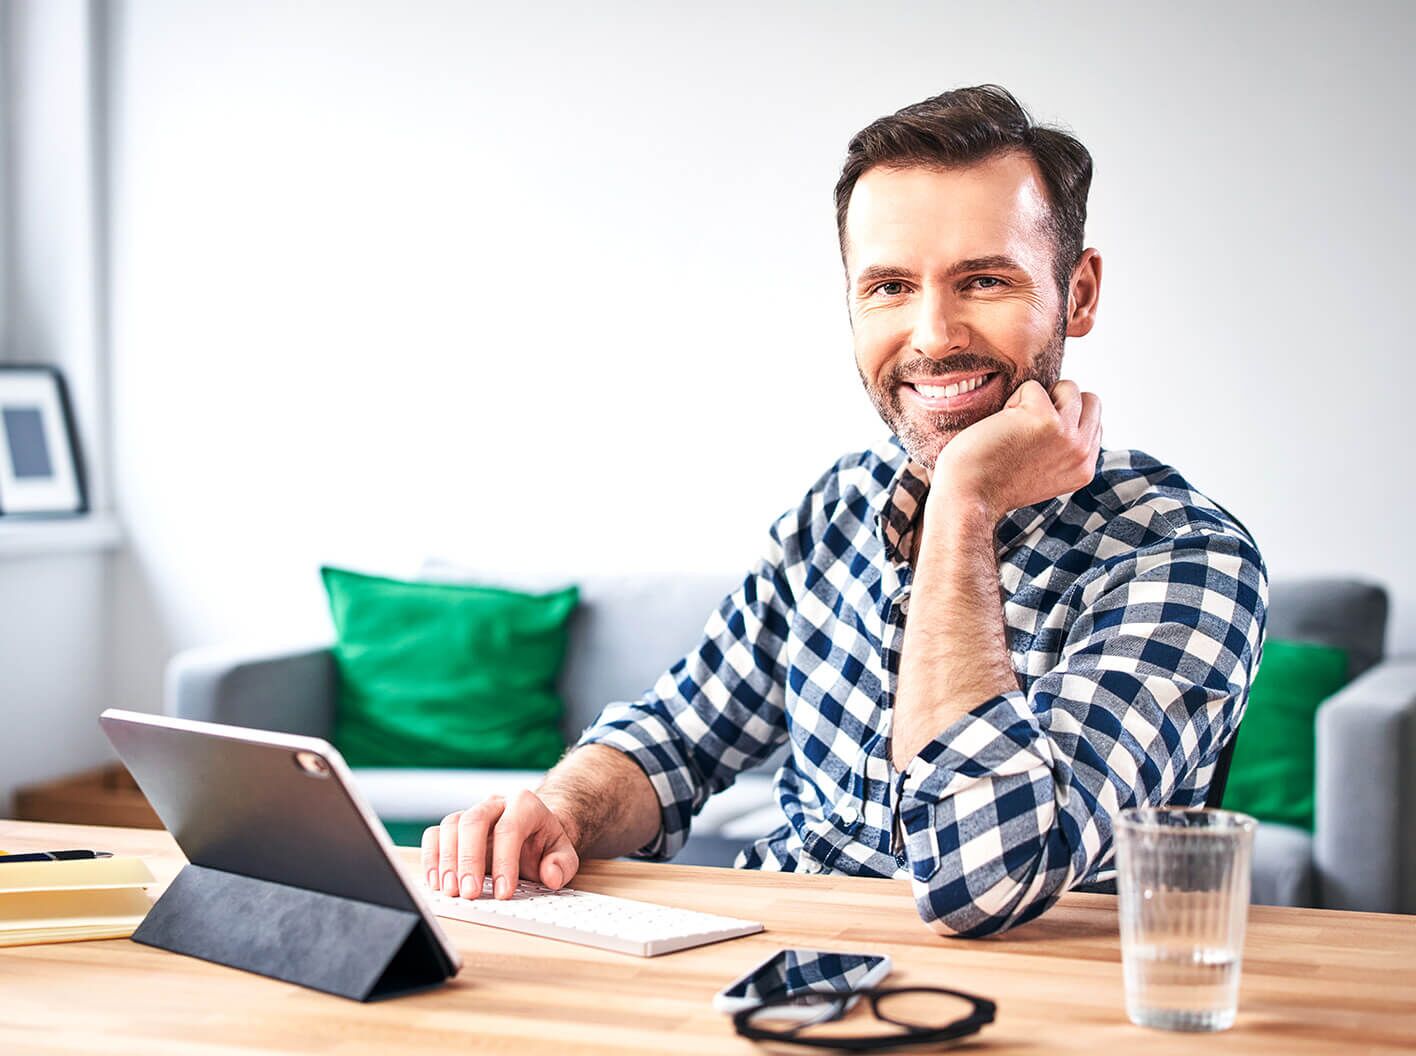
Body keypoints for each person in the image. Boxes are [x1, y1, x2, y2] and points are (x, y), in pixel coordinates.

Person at [421, 84, 1268, 937]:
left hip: (1015, 1002)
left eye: (983, 279)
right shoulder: (837, 509)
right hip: (774, 967)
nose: (933, 334)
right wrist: (559, 810)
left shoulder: (1184, 557)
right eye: (892, 286)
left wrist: (963, 506)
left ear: (1077, 294)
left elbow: (983, 880)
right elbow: (678, 737)